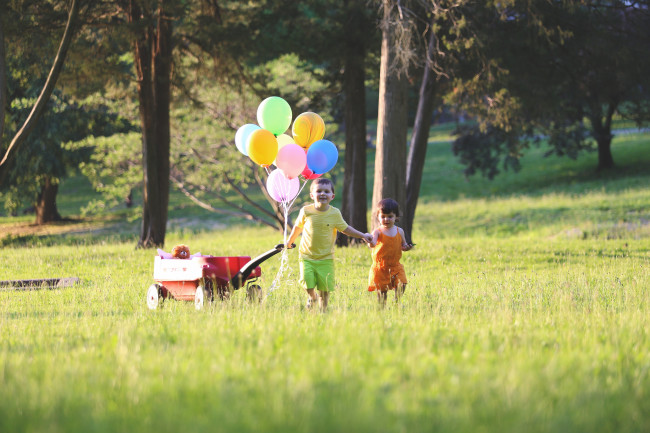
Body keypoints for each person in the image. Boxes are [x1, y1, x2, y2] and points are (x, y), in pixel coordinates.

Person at [286, 178, 372, 312]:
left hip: (326, 258)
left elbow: (346, 229)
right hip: (307, 256)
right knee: (307, 282)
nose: (322, 194)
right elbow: (297, 227)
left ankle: (323, 311)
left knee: (325, 287)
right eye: (319, 191)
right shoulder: (306, 211)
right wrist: (290, 241)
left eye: (326, 191)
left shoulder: (334, 213)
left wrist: (362, 235)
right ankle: (312, 297)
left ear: (332, 196)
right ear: (312, 195)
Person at [367, 198, 413, 307]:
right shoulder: (377, 232)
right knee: (382, 293)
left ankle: (396, 303)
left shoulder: (399, 231)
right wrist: (368, 241)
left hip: (395, 265)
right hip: (381, 267)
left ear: (396, 217)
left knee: (403, 284)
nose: (386, 219)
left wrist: (407, 247)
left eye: (390, 216)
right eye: (383, 216)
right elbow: (372, 244)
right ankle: (381, 311)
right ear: (378, 217)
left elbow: (403, 246)